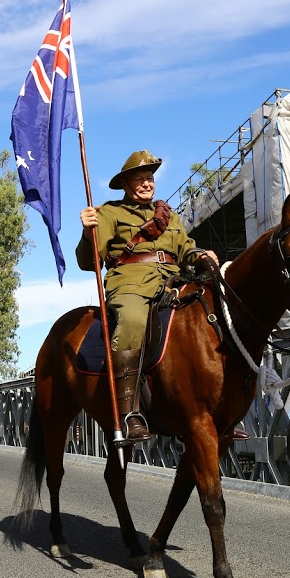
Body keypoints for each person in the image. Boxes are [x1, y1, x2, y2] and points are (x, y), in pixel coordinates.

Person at [77, 149, 218, 442]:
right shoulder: (110, 213)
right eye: (139, 179)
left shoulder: (168, 216)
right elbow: (89, 262)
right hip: (131, 283)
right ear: (126, 185)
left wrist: (201, 255)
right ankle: (129, 413)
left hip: (173, 280)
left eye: (150, 178)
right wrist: (87, 233)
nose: (146, 184)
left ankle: (219, 410)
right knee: (131, 319)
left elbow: (185, 249)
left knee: (212, 309)